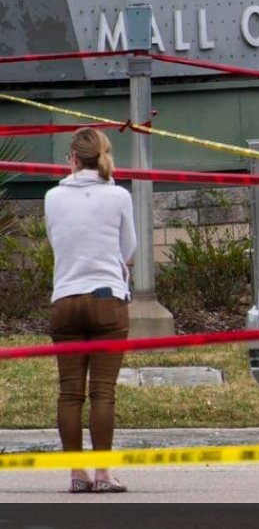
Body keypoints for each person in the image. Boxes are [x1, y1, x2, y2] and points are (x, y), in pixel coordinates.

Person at [44, 127, 136, 494]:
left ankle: (76, 473)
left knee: (69, 393)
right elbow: (129, 248)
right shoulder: (118, 196)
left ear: (72, 158)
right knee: (103, 392)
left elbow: (57, 242)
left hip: (65, 300)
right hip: (106, 300)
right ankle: (103, 473)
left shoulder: (52, 197)